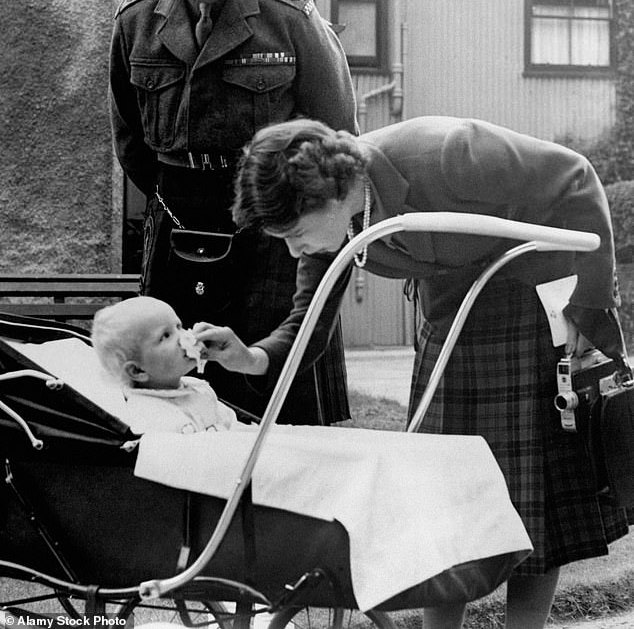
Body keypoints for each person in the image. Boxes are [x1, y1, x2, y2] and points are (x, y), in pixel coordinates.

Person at [219, 115, 632, 629]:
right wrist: (250, 357)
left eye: (296, 234)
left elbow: (575, 176)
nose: (293, 249)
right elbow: (310, 320)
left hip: (526, 310)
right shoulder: (337, 228)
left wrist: (588, 304)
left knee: (533, 506)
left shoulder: (449, 153)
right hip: (449, 325)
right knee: (445, 502)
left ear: (327, 193)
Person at [109, 0, 358, 425]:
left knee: (277, 407)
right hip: (177, 224)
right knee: (172, 400)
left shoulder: (290, 19)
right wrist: (178, 198)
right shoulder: (135, 21)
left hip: (271, 231)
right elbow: (131, 141)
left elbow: (338, 145)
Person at [91, 295, 247, 435]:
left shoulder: (199, 389)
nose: (184, 336)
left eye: (179, 327)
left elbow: (234, 425)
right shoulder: (149, 417)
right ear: (138, 370)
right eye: (166, 335)